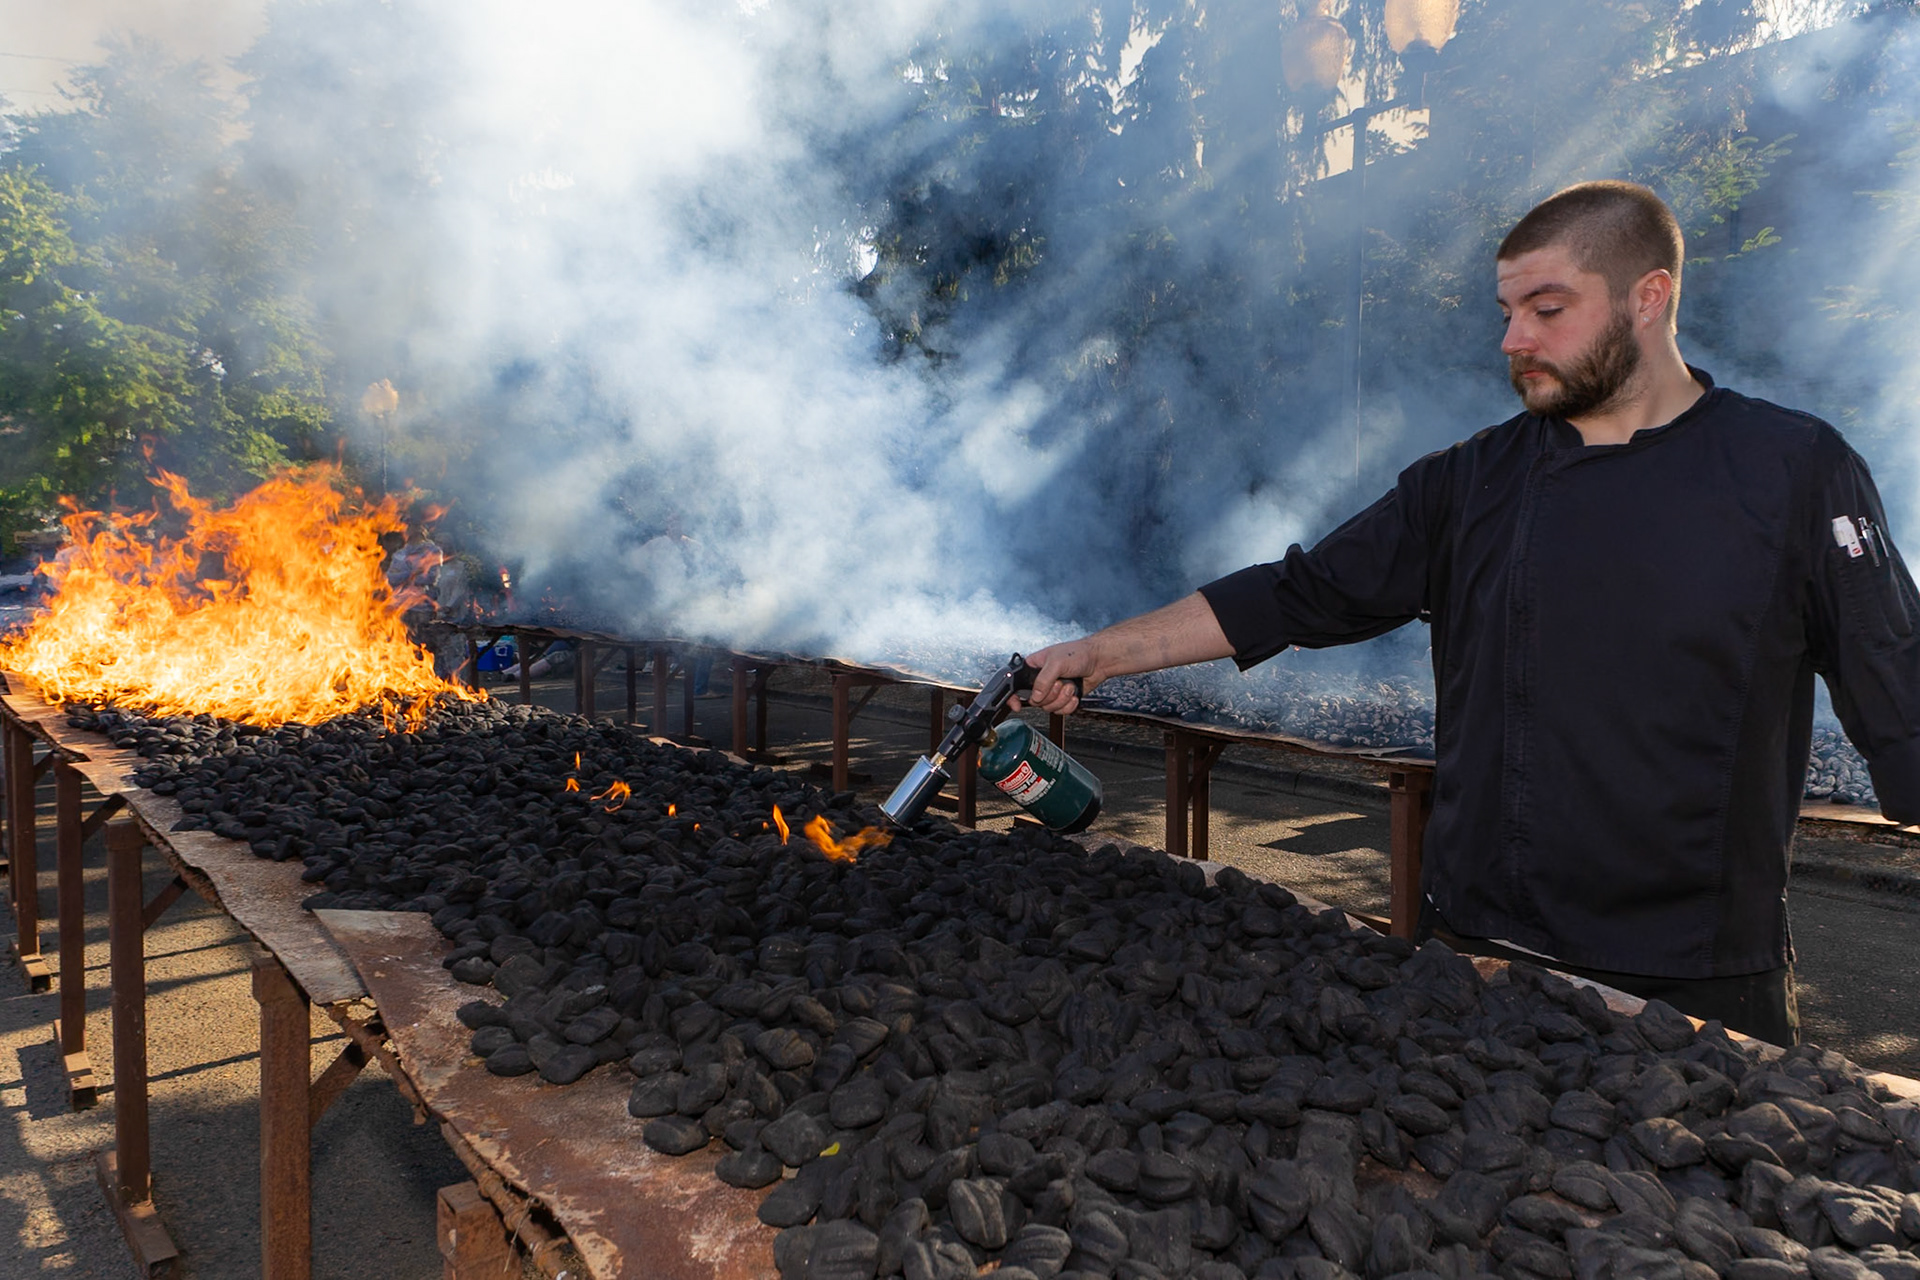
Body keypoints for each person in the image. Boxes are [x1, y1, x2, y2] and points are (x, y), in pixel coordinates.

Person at [1019, 181, 1920, 1047]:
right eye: (1506, 313)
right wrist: (1097, 653)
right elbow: (1296, 592)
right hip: (1477, 952)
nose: (1513, 339)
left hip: (1699, 981)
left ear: (1650, 298)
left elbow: (1899, 688)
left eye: (1547, 309)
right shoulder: (1472, 479)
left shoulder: (1795, 470)